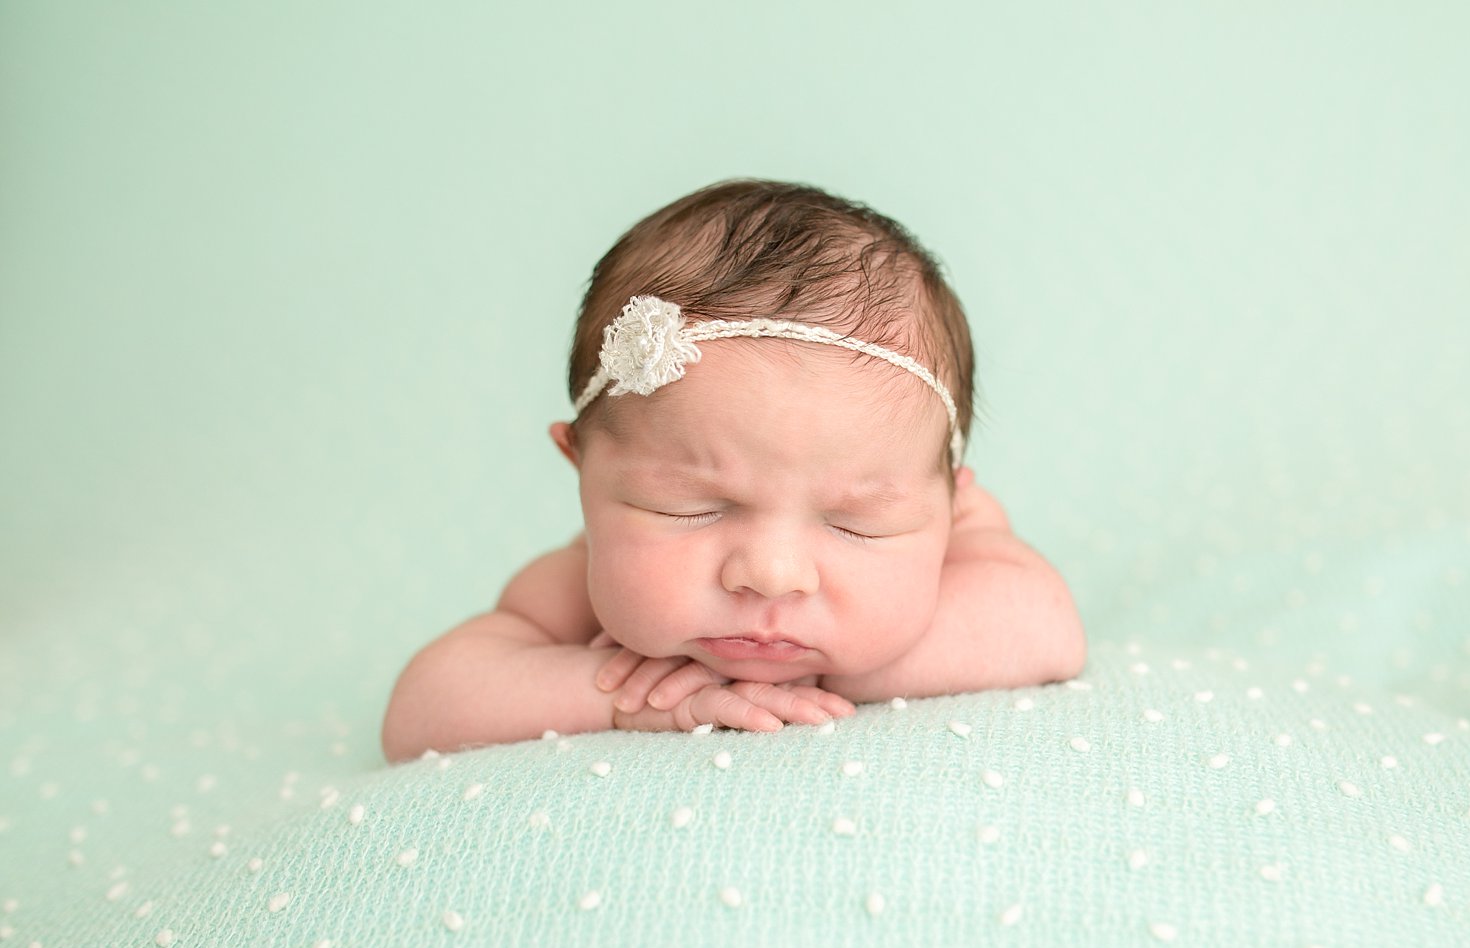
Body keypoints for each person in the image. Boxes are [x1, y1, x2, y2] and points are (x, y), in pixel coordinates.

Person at [381, 179, 1086, 762]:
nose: (772, 575)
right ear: (581, 470)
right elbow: (421, 711)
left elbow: (1044, 628)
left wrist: (829, 663)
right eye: (690, 508)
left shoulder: (962, 538)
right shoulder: (573, 592)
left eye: (854, 524)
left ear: (950, 505)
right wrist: (624, 696)